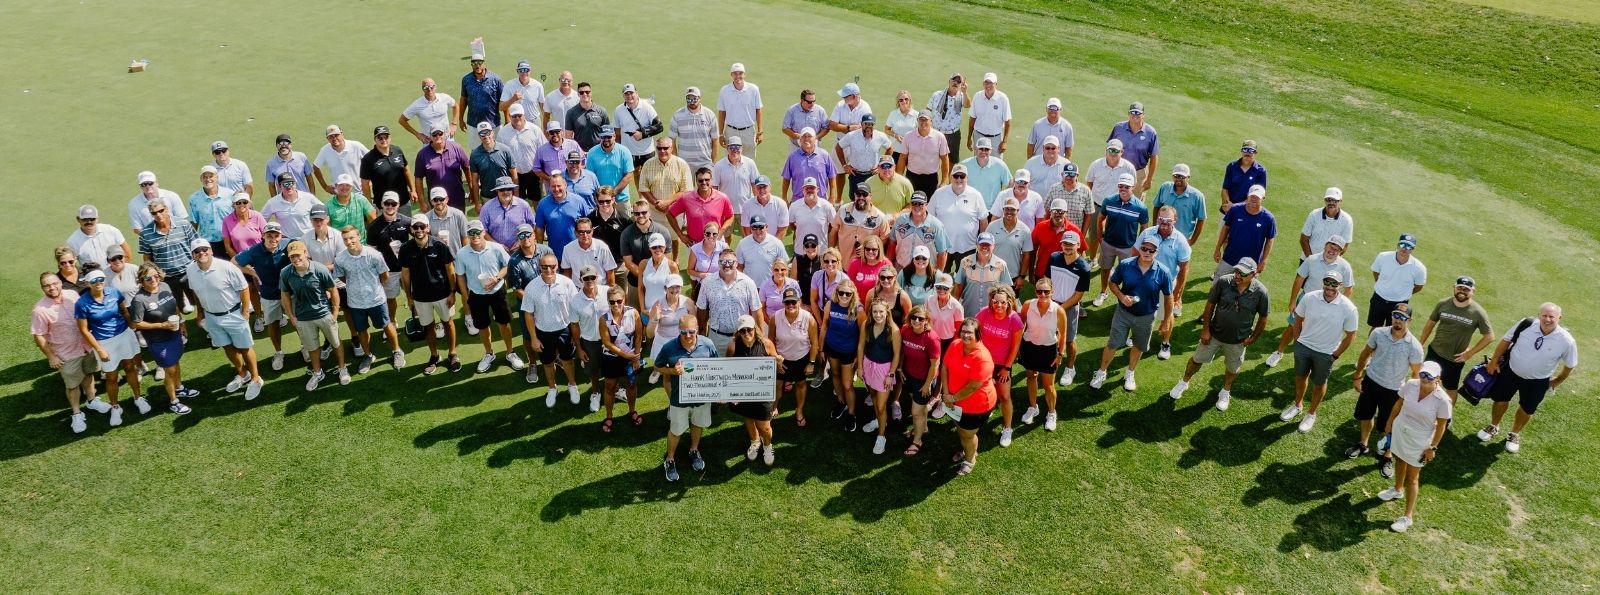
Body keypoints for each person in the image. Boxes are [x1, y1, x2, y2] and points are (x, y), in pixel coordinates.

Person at [1169, 257, 1270, 410]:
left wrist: (1254, 337)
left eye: (1242, 273)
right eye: (1236, 271)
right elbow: (1210, 304)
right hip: (1214, 334)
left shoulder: (1261, 292)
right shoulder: (1223, 281)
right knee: (1196, 359)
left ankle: (1225, 391)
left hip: (1238, 340)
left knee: (1232, 369)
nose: (1237, 275)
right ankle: (1184, 382)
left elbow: (1263, 317)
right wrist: (1205, 329)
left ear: (1253, 274)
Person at [1478, 303, 1578, 453]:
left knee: (1527, 409)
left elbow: (1570, 365)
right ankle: (1494, 426)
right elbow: (1506, 341)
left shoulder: (1566, 340)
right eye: (1544, 315)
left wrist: (1556, 381)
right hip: (1510, 372)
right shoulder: (1526, 324)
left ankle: (1514, 434)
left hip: (1538, 381)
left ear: (1559, 318)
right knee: (1500, 400)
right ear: (1539, 315)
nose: (1547, 319)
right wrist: (1493, 361)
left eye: (1552, 316)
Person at [1088, 235, 1174, 392]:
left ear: (1157, 251)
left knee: (1138, 345)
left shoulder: (1164, 272)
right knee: (1113, 343)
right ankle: (1101, 372)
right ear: (1139, 249)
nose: (1147, 252)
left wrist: (1167, 320)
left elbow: (1169, 297)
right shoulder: (1126, 265)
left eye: (1151, 250)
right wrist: (1121, 296)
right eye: (1144, 248)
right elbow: (1112, 283)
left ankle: (1130, 373)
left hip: (1146, 317)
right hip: (1123, 313)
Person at [1280, 270, 1361, 433]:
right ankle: (1297, 405)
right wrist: (1298, 342)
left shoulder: (1348, 308)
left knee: (1319, 383)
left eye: (1334, 284)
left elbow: (1351, 336)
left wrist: (1335, 354)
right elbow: (1298, 320)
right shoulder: (1310, 297)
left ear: (1340, 285)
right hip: (1304, 347)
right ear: (1323, 282)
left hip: (1325, 353)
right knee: (1300, 377)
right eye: (1327, 282)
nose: (1330, 287)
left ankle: (1311, 414)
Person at [1349, 304, 1425, 477]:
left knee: (1389, 425)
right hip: (1371, 382)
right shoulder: (1378, 333)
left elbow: (1416, 374)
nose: (1398, 320)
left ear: (1409, 321)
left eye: (1403, 317)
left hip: (1393, 390)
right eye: (1396, 316)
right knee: (1365, 415)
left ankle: (1387, 454)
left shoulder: (1414, 346)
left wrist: (1409, 396)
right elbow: (1365, 354)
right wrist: (1357, 376)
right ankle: (1363, 444)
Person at [1376, 362, 1452, 533]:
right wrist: (1389, 423)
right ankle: (1397, 490)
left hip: (1420, 440)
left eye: (1429, 376)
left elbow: (1441, 426)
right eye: (1423, 374)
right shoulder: (1411, 385)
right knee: (1400, 461)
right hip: (1401, 431)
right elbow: (1398, 404)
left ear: (1438, 379)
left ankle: (1407, 517)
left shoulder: (1443, 400)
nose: (1424, 379)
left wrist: (1432, 448)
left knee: (1412, 478)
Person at [187, 238, 264, 400]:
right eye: (197, 251)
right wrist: (200, 312)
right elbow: (196, 291)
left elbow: (243, 287)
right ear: (193, 255)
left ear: (211, 251)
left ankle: (256, 378)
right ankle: (243, 374)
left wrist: (244, 311)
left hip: (233, 314)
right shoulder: (191, 270)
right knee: (227, 347)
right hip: (211, 317)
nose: (202, 253)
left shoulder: (227, 267)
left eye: (204, 249)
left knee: (245, 347)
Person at [34, 273, 107, 433]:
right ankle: (76, 412)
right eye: (47, 285)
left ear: (60, 283)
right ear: (42, 288)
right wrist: (51, 356)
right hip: (65, 353)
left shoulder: (72, 295)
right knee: (73, 385)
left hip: (85, 346)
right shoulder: (40, 310)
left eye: (54, 283)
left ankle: (92, 400)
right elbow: (38, 335)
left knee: (88, 374)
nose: (52, 287)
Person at [1266, 235, 1355, 367]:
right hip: (1307, 299)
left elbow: (1349, 288)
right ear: (1326, 245)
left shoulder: (1345, 266)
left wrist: (1342, 308)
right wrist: (1293, 301)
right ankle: (1279, 352)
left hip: (1329, 304)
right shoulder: (1311, 259)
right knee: (1292, 327)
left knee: (1319, 332)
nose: (1333, 250)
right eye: (1331, 246)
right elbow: (1299, 279)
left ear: (1340, 251)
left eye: (1337, 249)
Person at [74, 269, 145, 425]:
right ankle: (115, 407)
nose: (98, 282)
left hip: (124, 335)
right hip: (104, 342)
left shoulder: (114, 292)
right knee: (111, 376)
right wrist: (99, 349)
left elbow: (124, 311)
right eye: (94, 280)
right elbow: (84, 330)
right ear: (87, 283)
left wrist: (131, 327)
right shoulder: (82, 303)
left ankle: (138, 398)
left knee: (129, 367)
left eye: (101, 279)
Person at [655, 314, 718, 482]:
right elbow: (658, 366)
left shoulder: (708, 344)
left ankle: (694, 450)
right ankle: (669, 459)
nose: (688, 336)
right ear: (679, 331)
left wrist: (719, 392)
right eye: (684, 332)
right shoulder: (669, 347)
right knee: (676, 430)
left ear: (697, 329)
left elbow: (717, 368)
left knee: (697, 424)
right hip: (679, 399)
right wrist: (672, 371)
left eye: (691, 331)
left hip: (702, 397)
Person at [128, 263, 197, 415]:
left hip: (174, 333)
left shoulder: (165, 286)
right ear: (141, 280)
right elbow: (137, 323)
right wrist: (161, 325)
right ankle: (174, 401)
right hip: (158, 340)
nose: (153, 279)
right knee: (170, 369)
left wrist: (182, 322)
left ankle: (179, 388)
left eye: (155, 276)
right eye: (148, 278)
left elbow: (175, 307)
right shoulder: (139, 300)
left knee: (176, 363)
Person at [279, 240, 348, 389]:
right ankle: (317, 372)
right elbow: (284, 295)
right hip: (303, 317)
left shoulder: (320, 269)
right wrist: (291, 316)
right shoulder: (286, 272)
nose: (296, 259)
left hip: (324, 313)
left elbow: (333, 290)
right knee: (312, 348)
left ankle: (342, 368)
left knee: (336, 343)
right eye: (292, 257)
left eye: (298, 255)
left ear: (306, 253)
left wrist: (335, 313)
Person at [335, 226, 404, 373]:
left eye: (352, 237)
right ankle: (367, 355)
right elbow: (341, 276)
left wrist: (371, 286)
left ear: (359, 236)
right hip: (355, 302)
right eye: (345, 239)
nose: (349, 241)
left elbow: (384, 275)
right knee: (361, 330)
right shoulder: (340, 258)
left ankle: (397, 350)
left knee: (386, 324)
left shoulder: (374, 255)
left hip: (376, 299)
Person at [1416, 276, 1495, 403]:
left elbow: (1489, 336)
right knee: (1424, 380)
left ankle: (1446, 418)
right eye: (1459, 288)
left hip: (1454, 360)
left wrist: (1469, 353)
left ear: (1472, 291)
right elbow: (1430, 323)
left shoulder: (1478, 312)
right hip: (1434, 352)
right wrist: (1421, 343)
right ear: (1454, 288)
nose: (1462, 291)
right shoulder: (1443, 304)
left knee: (1451, 389)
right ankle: (1420, 406)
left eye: (1466, 289)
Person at [457, 220, 521, 374]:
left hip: (497, 292)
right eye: (471, 233)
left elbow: (508, 265)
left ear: (483, 232)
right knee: (482, 326)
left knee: (504, 324)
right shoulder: (462, 253)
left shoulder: (496, 248)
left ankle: (510, 352)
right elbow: (460, 276)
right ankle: (489, 353)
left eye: (477, 232)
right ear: (468, 235)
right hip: (477, 295)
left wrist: (497, 278)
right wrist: (466, 296)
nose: (475, 236)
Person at [399, 217, 460, 374]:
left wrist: (452, 292)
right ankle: (434, 356)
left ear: (427, 227)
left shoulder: (440, 245)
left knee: (448, 322)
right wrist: (409, 297)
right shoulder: (406, 249)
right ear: (411, 229)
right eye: (415, 227)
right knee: (428, 327)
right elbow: (405, 275)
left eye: (422, 226)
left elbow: (450, 270)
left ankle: (452, 354)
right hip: (420, 296)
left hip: (442, 294)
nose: (418, 230)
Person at [521, 253, 583, 403]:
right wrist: (534, 338)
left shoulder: (567, 283)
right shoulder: (531, 287)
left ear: (557, 266)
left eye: (552, 266)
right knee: (547, 363)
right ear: (539, 267)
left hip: (564, 330)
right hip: (542, 332)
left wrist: (576, 334)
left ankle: (572, 385)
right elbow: (528, 314)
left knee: (567, 360)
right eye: (544, 267)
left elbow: (576, 309)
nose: (548, 270)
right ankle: (552, 388)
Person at [1135, 206, 1191, 358]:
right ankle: (1136, 336)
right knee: (1139, 309)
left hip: (1166, 283)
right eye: (1161, 220)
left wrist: (1178, 292)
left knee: (1168, 314)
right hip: (1145, 281)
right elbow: (1135, 253)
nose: (1164, 223)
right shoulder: (1147, 233)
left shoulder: (1180, 240)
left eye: (1168, 220)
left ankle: (1165, 343)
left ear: (1175, 220)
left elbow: (1184, 268)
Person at [944, 318, 996, 476]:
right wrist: (946, 393)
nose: (965, 335)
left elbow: (973, 386)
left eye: (969, 332)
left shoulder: (982, 358)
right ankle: (968, 449)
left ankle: (970, 459)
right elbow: (945, 367)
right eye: (963, 331)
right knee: (961, 430)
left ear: (978, 334)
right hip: (953, 400)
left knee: (967, 434)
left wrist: (952, 399)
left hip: (976, 406)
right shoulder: (955, 344)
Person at [234, 223, 291, 368]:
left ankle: (305, 347)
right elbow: (234, 262)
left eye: (276, 236)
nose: (273, 239)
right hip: (268, 294)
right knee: (273, 324)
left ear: (281, 236)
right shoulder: (254, 251)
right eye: (269, 235)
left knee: (298, 321)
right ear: (263, 236)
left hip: (290, 293)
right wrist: (253, 272)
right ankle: (278, 353)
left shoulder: (289, 244)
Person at [726, 314, 780, 464]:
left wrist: (778, 360)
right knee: (748, 418)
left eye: (749, 330)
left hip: (763, 392)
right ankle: (754, 441)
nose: (746, 334)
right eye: (742, 331)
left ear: (755, 329)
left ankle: (768, 446)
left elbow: (775, 362)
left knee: (765, 427)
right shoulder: (733, 346)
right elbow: (727, 369)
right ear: (738, 332)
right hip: (743, 392)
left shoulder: (766, 344)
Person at [976, 285, 1024, 446]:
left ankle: (1007, 428)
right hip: (984, 363)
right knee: (984, 392)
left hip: (1003, 365)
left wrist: (1007, 368)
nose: (999, 305)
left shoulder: (1015, 319)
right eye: (996, 302)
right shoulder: (984, 312)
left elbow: (1015, 346)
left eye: (1003, 302)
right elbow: (976, 334)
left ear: (1009, 302)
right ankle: (986, 411)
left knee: (1004, 396)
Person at [1092, 174, 1150, 307]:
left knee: (1127, 274)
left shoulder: (1140, 207)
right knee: (1105, 269)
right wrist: (1100, 237)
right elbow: (1100, 218)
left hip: (1128, 247)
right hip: (1108, 244)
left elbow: (1144, 228)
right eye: (1121, 186)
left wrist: (1138, 247)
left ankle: (1124, 298)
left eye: (1127, 187)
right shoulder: (1109, 200)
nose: (1123, 189)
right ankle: (1103, 292)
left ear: (1133, 187)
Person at [1018, 278, 1068, 431]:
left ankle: (1052, 412)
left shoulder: (1058, 310)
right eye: (1039, 291)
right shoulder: (1028, 305)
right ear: (1036, 292)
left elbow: (1063, 334)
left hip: (1048, 349)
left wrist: (1060, 353)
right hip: (1029, 347)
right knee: (1031, 376)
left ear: (1052, 292)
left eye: (1046, 291)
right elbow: (1021, 325)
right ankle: (1033, 407)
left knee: (1048, 385)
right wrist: (1018, 345)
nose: (1043, 294)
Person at [819, 278, 866, 431]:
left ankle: (852, 413)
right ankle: (841, 402)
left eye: (848, 294)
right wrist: (821, 349)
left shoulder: (858, 310)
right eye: (841, 293)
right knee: (835, 375)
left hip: (848, 352)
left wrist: (859, 357)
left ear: (853, 294)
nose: (844, 296)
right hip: (832, 348)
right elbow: (824, 326)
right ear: (836, 293)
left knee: (847, 385)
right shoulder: (830, 304)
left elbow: (863, 336)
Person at [137, 200, 200, 313]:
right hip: (166, 277)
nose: (158, 215)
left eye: (161, 211)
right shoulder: (145, 233)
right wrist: (154, 276)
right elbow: (147, 258)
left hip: (189, 272)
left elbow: (196, 245)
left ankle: (203, 320)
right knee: (175, 308)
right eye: (154, 213)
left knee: (200, 301)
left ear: (166, 209)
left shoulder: (184, 224)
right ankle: (180, 327)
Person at [856, 301, 902, 454]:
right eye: (875, 312)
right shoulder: (866, 325)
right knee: (874, 397)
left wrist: (891, 374)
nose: (878, 315)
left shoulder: (893, 330)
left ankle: (881, 436)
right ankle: (878, 421)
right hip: (868, 366)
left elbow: (897, 355)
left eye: (881, 312)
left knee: (881, 406)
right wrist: (861, 367)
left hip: (884, 370)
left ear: (887, 312)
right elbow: (861, 346)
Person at [596, 285, 644, 431]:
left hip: (631, 356)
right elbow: (607, 343)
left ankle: (632, 410)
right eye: (612, 302)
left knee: (631, 384)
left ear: (624, 299)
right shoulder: (604, 319)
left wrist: (635, 357)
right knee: (610, 387)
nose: (616, 304)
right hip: (611, 358)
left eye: (619, 300)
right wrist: (626, 356)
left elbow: (639, 336)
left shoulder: (633, 313)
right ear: (608, 302)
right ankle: (609, 416)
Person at [895, 304, 942, 454]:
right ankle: (924, 427)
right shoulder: (906, 330)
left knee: (916, 413)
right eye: (913, 317)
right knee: (919, 410)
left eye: (920, 318)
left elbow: (935, 364)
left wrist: (928, 384)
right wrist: (900, 368)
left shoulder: (931, 338)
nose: (916, 321)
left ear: (926, 320)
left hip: (923, 380)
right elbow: (902, 350)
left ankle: (917, 441)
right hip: (908, 375)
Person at [696, 248, 761, 354]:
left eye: (730, 262)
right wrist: (702, 334)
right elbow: (701, 308)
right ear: (718, 263)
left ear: (736, 264)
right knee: (717, 368)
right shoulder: (707, 282)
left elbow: (756, 311)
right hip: (716, 338)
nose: (726, 265)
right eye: (722, 262)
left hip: (743, 336)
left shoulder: (748, 283)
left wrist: (760, 337)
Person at [770, 287, 817, 427]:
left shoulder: (808, 318)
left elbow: (815, 343)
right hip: (781, 359)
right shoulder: (775, 317)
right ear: (783, 303)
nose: (790, 305)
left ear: (799, 301)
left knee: (801, 384)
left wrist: (811, 363)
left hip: (801, 358)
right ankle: (773, 406)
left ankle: (799, 411)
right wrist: (775, 357)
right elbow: (770, 341)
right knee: (777, 384)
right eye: (787, 302)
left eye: (793, 302)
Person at [1211, 184, 1276, 281]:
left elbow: (1270, 239)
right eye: (1252, 196)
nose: (1254, 199)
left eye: (1257, 197)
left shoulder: (1268, 218)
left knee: (1246, 292)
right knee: (1218, 284)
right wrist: (1217, 248)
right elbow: (1225, 228)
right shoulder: (1235, 210)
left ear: (1263, 198)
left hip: (1251, 264)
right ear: (1247, 196)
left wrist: (1264, 260)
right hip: (1229, 258)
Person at [364, 193, 412, 321]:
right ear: (381, 205)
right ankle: (392, 321)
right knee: (390, 299)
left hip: (407, 268)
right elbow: (371, 252)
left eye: (393, 204)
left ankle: (418, 320)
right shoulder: (374, 227)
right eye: (387, 203)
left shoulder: (407, 222)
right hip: (388, 270)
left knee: (413, 295)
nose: (390, 206)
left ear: (398, 205)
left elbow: (420, 236)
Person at [569, 266, 611, 411]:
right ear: (581, 280)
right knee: (593, 370)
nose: (589, 281)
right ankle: (595, 392)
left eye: (592, 277)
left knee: (611, 366)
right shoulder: (575, 301)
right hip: (589, 341)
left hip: (610, 339)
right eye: (586, 278)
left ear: (597, 277)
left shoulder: (607, 292)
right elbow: (574, 325)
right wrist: (579, 349)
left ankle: (615, 388)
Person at [931, 164, 986, 269]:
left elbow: (983, 221)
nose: (959, 179)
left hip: (968, 247)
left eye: (962, 176)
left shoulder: (976, 195)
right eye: (956, 176)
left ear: (967, 178)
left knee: (965, 280)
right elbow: (929, 218)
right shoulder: (939, 194)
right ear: (951, 177)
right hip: (942, 246)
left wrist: (981, 243)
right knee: (939, 278)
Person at [667, 168, 735, 251]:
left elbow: (730, 216)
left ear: (711, 180)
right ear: (696, 181)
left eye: (707, 180)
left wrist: (721, 231)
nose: (704, 183)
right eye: (700, 180)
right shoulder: (686, 198)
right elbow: (670, 214)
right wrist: (680, 235)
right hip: (694, 244)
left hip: (716, 242)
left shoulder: (722, 198)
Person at [1368, 234, 1428, 328]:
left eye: (1409, 246)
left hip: (1400, 305)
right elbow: (1376, 272)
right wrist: (1382, 285)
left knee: (1393, 330)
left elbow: (1419, 286)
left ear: (1413, 249)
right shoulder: (1383, 257)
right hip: (1378, 298)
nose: (1404, 249)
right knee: (1375, 328)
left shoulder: (1419, 268)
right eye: (1402, 245)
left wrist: (1404, 293)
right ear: (1397, 245)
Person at [618, 198, 676, 295]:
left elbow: (668, 257)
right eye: (637, 213)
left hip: (660, 282)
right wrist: (645, 277)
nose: (640, 216)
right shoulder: (626, 234)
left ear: (649, 213)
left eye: (644, 213)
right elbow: (628, 262)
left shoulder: (662, 231)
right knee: (634, 310)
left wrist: (655, 277)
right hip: (635, 281)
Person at [637, 138, 694, 235]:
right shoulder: (648, 164)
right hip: (654, 212)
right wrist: (657, 203)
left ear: (671, 148)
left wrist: (667, 202)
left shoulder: (681, 164)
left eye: (665, 148)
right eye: (659, 148)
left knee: (674, 239)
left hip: (675, 211)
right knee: (655, 242)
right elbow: (643, 188)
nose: (662, 151)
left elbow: (686, 190)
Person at [647, 275, 695, 385]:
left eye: (677, 286)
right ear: (665, 288)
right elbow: (649, 334)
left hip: (682, 341)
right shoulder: (657, 305)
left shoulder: (688, 303)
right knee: (666, 375)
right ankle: (658, 369)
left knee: (682, 371)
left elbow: (693, 325)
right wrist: (655, 319)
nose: (674, 290)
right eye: (671, 287)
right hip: (663, 342)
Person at [828, 82, 873, 200]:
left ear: (854, 97)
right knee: (839, 172)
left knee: (856, 173)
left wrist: (856, 130)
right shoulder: (840, 105)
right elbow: (832, 125)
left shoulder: (865, 107)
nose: (843, 98)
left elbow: (868, 129)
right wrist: (849, 128)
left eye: (845, 96)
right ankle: (838, 199)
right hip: (840, 143)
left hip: (857, 146)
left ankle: (858, 199)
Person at [360, 126, 417, 214]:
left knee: (405, 226)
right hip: (384, 204)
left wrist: (413, 190)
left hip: (403, 201)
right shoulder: (368, 159)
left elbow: (406, 170)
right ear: (375, 139)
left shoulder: (397, 150)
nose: (383, 140)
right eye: (380, 138)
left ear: (390, 138)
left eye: (386, 137)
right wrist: (369, 204)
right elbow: (365, 184)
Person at [413, 125, 471, 212]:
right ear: (430, 136)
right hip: (437, 200)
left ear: (445, 134)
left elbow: (467, 168)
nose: (438, 136)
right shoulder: (422, 154)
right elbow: (418, 179)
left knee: (459, 223)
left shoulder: (456, 148)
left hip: (457, 197)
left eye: (440, 133)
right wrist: (422, 202)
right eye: (434, 134)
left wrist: (472, 190)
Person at [984, 195, 1035, 292]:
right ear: (1003, 210)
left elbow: (1026, 255)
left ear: (1018, 211)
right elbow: (984, 249)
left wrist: (1022, 276)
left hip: (1013, 276)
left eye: (1013, 209)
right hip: (992, 273)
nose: (1009, 212)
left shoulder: (1025, 230)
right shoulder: (992, 226)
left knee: (1011, 304)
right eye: (1007, 209)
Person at [1108, 102, 1159, 197]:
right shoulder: (1118, 127)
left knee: (1135, 201)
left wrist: (1149, 179)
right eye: (1132, 112)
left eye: (1138, 113)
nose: (1135, 115)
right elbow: (1109, 148)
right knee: (1113, 197)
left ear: (1143, 115)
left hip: (1139, 173)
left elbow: (1154, 157)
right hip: (1118, 169)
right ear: (1128, 114)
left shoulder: (1150, 132)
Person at [953, 233, 1011, 316]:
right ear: (976, 245)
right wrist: (955, 306)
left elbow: (1007, 291)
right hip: (968, 312)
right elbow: (959, 285)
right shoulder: (965, 262)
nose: (984, 247)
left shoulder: (1001, 265)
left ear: (993, 246)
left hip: (992, 314)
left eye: (988, 244)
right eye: (982, 244)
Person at [1031, 197, 1086, 283]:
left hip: (1066, 274)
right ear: (1050, 212)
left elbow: (1081, 252)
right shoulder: (1040, 227)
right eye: (1055, 211)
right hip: (1042, 272)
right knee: (1042, 296)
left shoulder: (1074, 230)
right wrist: (1031, 273)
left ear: (1066, 213)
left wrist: (1081, 273)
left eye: (1061, 212)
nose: (1058, 214)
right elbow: (1032, 250)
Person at [717, 62, 765, 158]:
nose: (738, 76)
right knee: (730, 160)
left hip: (749, 131)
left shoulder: (754, 89)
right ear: (731, 75)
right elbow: (722, 113)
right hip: (731, 131)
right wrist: (721, 134)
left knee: (749, 162)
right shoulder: (724, 91)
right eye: (735, 73)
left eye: (740, 73)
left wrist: (760, 132)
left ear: (744, 74)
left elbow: (758, 110)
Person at [836, 113, 893, 193]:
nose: (869, 126)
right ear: (861, 124)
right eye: (866, 124)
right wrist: (844, 165)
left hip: (873, 175)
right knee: (855, 198)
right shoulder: (851, 136)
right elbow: (838, 147)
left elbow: (890, 148)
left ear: (875, 125)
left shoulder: (880, 136)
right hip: (856, 174)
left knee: (874, 197)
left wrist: (881, 165)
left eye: (871, 124)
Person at [499, 105, 546, 202]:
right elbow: (500, 155)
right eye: (514, 116)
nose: (517, 118)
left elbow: (543, 150)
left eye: (519, 115)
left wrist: (542, 172)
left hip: (534, 173)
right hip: (514, 175)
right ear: (509, 116)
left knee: (537, 200)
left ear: (524, 115)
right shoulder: (503, 133)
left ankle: (537, 217)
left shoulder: (535, 129)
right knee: (517, 202)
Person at [835, 183, 890, 262]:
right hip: (844, 263)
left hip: (867, 265)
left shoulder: (880, 217)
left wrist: (868, 248)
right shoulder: (843, 210)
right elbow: (834, 230)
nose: (861, 197)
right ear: (854, 195)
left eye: (864, 195)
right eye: (858, 194)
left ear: (870, 196)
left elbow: (884, 238)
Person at [898, 112, 950, 198]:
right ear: (917, 121)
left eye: (926, 120)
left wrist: (944, 181)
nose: (923, 122)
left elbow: (944, 158)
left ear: (931, 121)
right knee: (911, 203)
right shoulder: (908, 136)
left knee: (929, 205)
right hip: (912, 177)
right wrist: (899, 179)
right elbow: (903, 157)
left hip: (931, 179)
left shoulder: (939, 137)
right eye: (921, 120)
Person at [469, 124, 519, 212]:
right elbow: (475, 181)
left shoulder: (505, 150)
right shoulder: (475, 155)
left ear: (493, 133)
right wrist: (477, 203)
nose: (486, 136)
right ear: (479, 136)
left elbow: (514, 175)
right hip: (487, 197)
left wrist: (516, 197)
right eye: (482, 134)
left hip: (506, 194)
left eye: (488, 132)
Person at [1151, 163, 1206, 243]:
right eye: (1175, 176)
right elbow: (1157, 206)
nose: (1178, 179)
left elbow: (1201, 219)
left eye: (1181, 177)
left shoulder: (1197, 196)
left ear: (1188, 178)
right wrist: (1155, 227)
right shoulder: (1165, 187)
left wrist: (1192, 240)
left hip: (1181, 239)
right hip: (1161, 234)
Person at [261, 171, 323, 241]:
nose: (289, 187)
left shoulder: (308, 197)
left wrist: (320, 229)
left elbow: (323, 211)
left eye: (291, 183)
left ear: (295, 184)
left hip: (309, 239)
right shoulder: (272, 202)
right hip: (286, 241)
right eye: (285, 184)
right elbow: (261, 220)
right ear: (279, 186)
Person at [669, 86, 719, 171]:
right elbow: (672, 140)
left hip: (705, 162)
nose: (692, 101)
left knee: (706, 184)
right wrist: (676, 161)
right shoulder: (677, 115)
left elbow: (715, 140)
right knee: (687, 185)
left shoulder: (710, 115)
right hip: (684, 163)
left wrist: (713, 162)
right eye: (689, 99)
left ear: (700, 98)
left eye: (694, 98)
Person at [67, 205, 132, 270]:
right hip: (93, 278)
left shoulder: (111, 231)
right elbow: (72, 264)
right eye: (85, 219)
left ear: (97, 218)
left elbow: (127, 251)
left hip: (115, 273)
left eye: (92, 219)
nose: (89, 222)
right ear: (78, 219)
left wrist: (122, 270)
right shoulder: (72, 242)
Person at [780, 128, 837, 202]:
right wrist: (784, 197)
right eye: (803, 136)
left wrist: (832, 197)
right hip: (798, 200)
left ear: (815, 139)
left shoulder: (824, 155)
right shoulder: (793, 157)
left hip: (820, 200)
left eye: (809, 136)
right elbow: (786, 178)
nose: (806, 139)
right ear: (800, 140)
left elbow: (832, 177)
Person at [478, 177, 535, 248]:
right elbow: (482, 231)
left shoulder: (523, 205)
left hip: (521, 249)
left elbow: (532, 225)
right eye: (502, 189)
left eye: (509, 189)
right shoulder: (486, 208)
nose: (506, 192)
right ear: (497, 191)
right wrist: (497, 246)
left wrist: (521, 241)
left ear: (512, 190)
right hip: (495, 251)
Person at [560, 217, 619, 286]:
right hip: (578, 290)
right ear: (575, 233)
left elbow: (610, 272)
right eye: (581, 232)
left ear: (592, 231)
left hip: (599, 288)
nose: (585, 235)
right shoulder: (568, 249)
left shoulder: (602, 247)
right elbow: (567, 273)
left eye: (588, 232)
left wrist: (609, 292)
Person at [614, 83, 660, 169]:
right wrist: (618, 149)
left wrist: (642, 134)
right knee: (633, 174)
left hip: (647, 152)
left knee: (650, 178)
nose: (629, 96)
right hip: (628, 152)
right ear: (623, 96)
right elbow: (617, 132)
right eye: (626, 94)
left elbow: (659, 126)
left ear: (637, 94)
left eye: (631, 93)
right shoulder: (618, 110)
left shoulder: (647, 107)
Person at [313, 125, 369, 195]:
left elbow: (371, 160)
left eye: (336, 135)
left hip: (359, 193)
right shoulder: (325, 150)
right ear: (327, 139)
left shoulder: (356, 146)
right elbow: (315, 167)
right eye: (331, 136)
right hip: (339, 195)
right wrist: (325, 187)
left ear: (342, 134)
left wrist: (369, 181)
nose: (334, 138)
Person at [399, 78, 458, 145]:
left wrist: (454, 124)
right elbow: (402, 120)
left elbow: (455, 106)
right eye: (426, 87)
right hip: (429, 142)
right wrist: (417, 134)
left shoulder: (444, 98)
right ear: (422, 89)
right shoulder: (417, 105)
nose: (429, 90)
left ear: (435, 87)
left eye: (431, 87)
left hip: (447, 138)